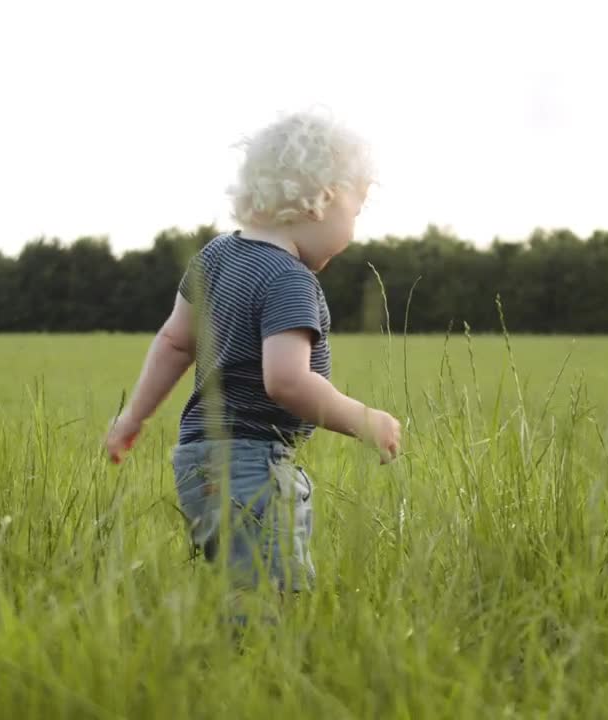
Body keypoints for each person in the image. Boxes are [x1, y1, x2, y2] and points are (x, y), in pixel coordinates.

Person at [103, 110, 402, 606]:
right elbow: (285, 381)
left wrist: (133, 417)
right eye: (357, 207)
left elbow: (175, 342)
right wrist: (364, 419)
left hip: (197, 460)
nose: (355, 227)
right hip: (253, 463)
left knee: (242, 585)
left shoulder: (217, 255)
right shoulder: (289, 280)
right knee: (268, 595)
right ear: (320, 201)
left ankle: (234, 664)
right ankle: (256, 672)